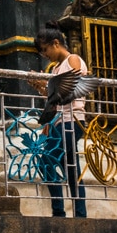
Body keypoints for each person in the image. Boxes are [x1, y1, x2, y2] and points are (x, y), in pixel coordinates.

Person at [28, 23, 88, 218]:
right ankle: (79, 213)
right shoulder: (55, 69)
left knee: (47, 160)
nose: (45, 55)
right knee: (70, 167)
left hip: (72, 119)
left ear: (56, 43)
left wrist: (48, 87)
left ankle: (59, 212)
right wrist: (41, 87)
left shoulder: (73, 60)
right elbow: (54, 97)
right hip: (59, 121)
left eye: (46, 50)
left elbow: (72, 89)